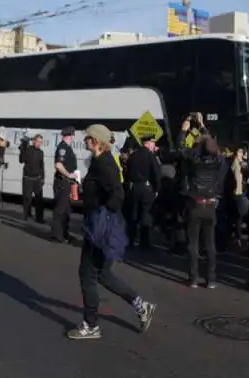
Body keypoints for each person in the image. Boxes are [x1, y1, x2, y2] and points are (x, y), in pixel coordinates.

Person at [67, 124, 155, 340]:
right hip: (98, 224)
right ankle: (141, 305)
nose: (85, 140)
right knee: (103, 274)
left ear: (96, 141)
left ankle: (91, 325)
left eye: (88, 137)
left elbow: (117, 193)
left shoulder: (105, 164)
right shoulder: (99, 162)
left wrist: (103, 214)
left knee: (87, 274)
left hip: (99, 229)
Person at [179, 119, 227, 289]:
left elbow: (182, 149)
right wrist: (202, 125)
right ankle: (211, 278)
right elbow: (212, 145)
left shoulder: (195, 160)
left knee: (193, 243)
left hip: (196, 203)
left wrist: (184, 131)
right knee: (210, 243)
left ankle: (193, 278)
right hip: (211, 204)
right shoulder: (219, 161)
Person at [124, 135, 161, 250]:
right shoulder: (151, 156)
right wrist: (156, 189)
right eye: (153, 143)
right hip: (146, 188)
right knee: (146, 215)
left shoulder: (133, 156)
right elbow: (156, 174)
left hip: (134, 188)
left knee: (133, 215)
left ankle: (130, 240)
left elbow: (127, 172)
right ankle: (144, 243)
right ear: (149, 143)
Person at [51, 126, 78, 244]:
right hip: (62, 182)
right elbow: (58, 165)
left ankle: (65, 233)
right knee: (60, 209)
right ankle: (57, 235)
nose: (73, 137)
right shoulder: (62, 147)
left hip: (68, 182)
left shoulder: (68, 148)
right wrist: (68, 174)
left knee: (67, 210)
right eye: (73, 134)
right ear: (70, 135)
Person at [19, 134, 45, 223]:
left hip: (37, 179)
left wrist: (43, 178)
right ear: (34, 141)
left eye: (40, 142)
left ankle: (39, 218)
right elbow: (21, 160)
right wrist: (23, 147)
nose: (39, 143)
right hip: (27, 178)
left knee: (39, 199)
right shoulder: (28, 149)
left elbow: (42, 166)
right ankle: (25, 217)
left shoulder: (41, 152)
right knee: (27, 199)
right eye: (38, 141)